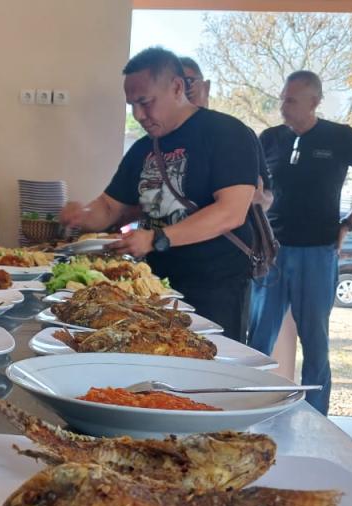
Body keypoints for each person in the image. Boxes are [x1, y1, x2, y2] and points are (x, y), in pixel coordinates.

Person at [60, 47, 259, 342]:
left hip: (216, 287)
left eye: (145, 102)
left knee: (206, 374)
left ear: (177, 87)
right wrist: (83, 216)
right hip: (155, 288)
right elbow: (111, 206)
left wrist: (157, 238)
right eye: (132, 105)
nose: (139, 115)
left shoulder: (226, 132)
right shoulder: (143, 148)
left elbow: (231, 211)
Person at [248, 71, 352, 415]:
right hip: (273, 252)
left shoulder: (340, 137)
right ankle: (249, 410)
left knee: (315, 343)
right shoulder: (269, 139)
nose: (283, 106)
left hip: (319, 252)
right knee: (257, 341)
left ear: (314, 102)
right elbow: (257, 191)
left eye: (291, 100)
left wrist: (350, 223)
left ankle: (316, 416)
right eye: (282, 98)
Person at [179, 57, 271, 206]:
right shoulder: (158, 139)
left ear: (206, 87)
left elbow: (267, 193)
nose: (181, 89)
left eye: (188, 81)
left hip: (225, 227)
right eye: (174, 86)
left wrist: (259, 199)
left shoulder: (236, 133)